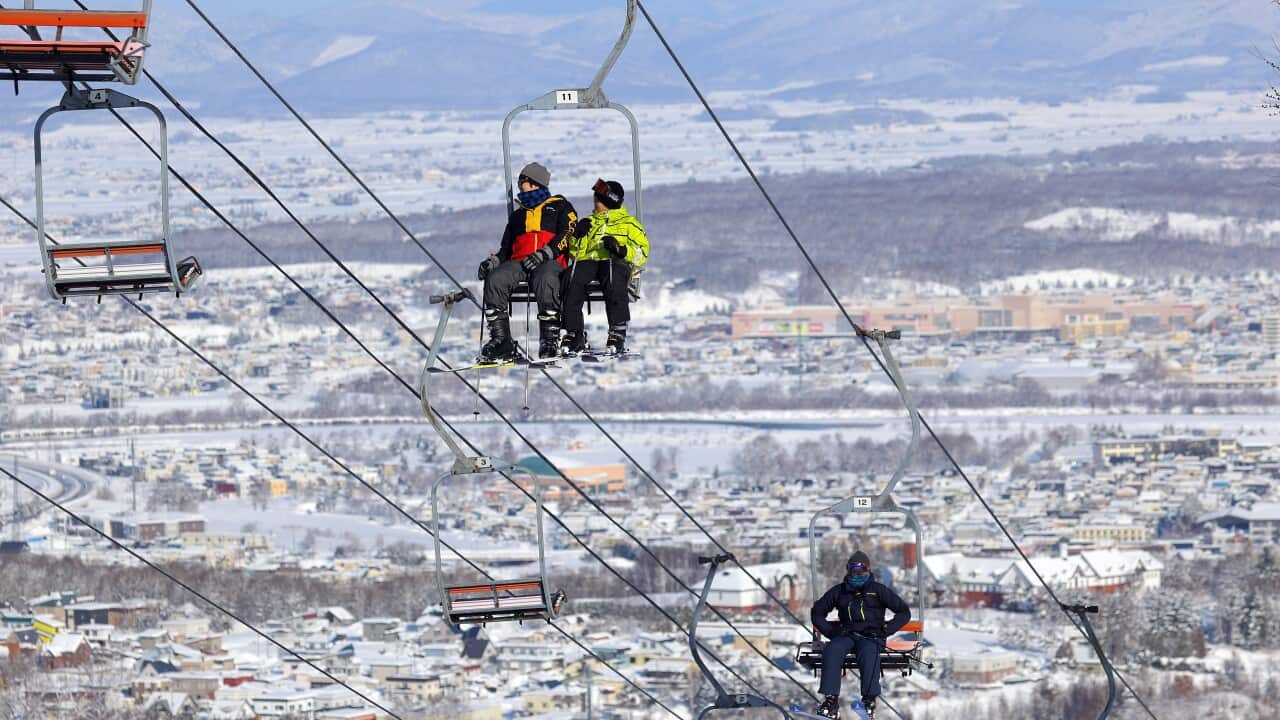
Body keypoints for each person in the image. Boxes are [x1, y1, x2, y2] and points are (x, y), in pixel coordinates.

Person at [477, 162, 579, 361]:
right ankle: (501, 340)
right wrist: (493, 262)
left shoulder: (559, 207)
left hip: (550, 260)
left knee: (546, 278)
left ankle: (549, 340)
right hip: (521, 261)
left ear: (534, 184)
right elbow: (505, 249)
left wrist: (545, 253)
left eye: (522, 181)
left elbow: (568, 233)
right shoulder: (518, 216)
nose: (519, 185)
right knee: (496, 279)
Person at [809, 551, 911, 719]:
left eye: (860, 569)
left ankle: (869, 699)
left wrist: (884, 630)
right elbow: (817, 613)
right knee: (833, 649)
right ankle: (830, 700)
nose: (856, 573)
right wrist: (832, 632)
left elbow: (903, 612)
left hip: (872, 636)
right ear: (848, 570)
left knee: (869, 653)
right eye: (852, 569)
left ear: (868, 570)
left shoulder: (877, 590)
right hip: (846, 634)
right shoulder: (840, 591)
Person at [559, 179, 649, 356]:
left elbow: (642, 252)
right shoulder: (589, 223)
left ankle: (617, 330)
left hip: (614, 261)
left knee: (613, 277)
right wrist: (577, 236)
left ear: (609, 201)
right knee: (571, 278)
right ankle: (573, 332)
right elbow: (575, 253)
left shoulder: (629, 224)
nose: (595, 202)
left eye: (598, 200)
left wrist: (621, 250)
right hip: (590, 261)